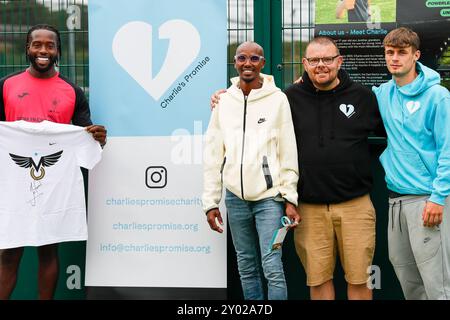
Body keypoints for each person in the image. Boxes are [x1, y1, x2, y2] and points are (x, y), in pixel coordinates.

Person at [210, 36, 385, 300]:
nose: (321, 65)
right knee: (318, 280)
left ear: (340, 61)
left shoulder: (363, 97)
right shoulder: (288, 98)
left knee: (360, 280)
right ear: (304, 63)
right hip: (309, 207)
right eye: (314, 60)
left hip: (355, 206)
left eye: (327, 59)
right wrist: (226, 96)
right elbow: (254, 97)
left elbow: (390, 134)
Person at [0, 24, 106, 300]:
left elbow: (87, 134)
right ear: (28, 48)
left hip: (54, 184)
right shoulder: (6, 86)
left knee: (49, 250)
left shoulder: (72, 91)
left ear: (58, 50)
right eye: (37, 44)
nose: (43, 50)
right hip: (13, 184)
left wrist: (98, 137)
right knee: (8, 253)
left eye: (50, 45)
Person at [203, 41, 300, 300]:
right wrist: (211, 202)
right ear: (235, 62)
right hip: (235, 198)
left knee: (272, 267)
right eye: (242, 58)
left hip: (269, 198)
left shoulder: (277, 100)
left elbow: (287, 151)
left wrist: (289, 197)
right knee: (246, 266)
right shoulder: (224, 101)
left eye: (254, 59)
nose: (248, 63)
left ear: (263, 64)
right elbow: (213, 154)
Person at [373, 27, 450, 300]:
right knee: (410, 282)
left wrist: (438, 198)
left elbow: (447, 150)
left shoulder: (438, 97)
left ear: (415, 55)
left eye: (402, 53)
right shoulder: (383, 94)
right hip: (396, 201)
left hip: (427, 200)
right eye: (390, 52)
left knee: (437, 284)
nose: (394, 58)